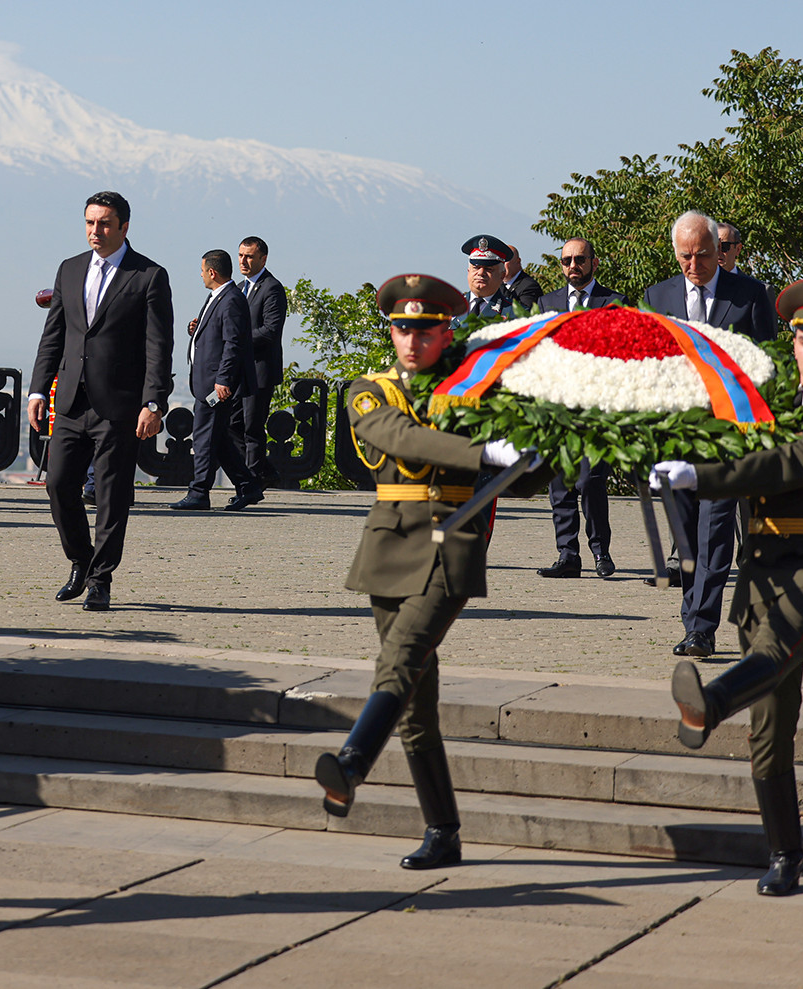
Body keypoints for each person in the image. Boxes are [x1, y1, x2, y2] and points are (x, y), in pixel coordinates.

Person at [312, 274, 550, 869]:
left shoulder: (480, 390)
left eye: (425, 329)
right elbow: (401, 439)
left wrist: (540, 444)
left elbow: (531, 479)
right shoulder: (371, 390)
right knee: (415, 704)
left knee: (398, 661)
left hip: (452, 543)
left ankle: (351, 763)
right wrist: (484, 451)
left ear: (448, 331)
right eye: (402, 329)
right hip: (389, 549)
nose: (412, 340)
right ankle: (443, 830)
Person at [660, 276, 803, 896]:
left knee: (774, 651)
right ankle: (784, 854)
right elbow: (725, 436)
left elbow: (781, 466)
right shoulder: (768, 408)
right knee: (770, 731)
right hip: (761, 577)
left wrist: (700, 477)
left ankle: (709, 704)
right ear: (794, 342)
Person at [28, 191, 175, 613]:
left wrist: (153, 402)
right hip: (71, 399)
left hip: (120, 404)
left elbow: (157, 346)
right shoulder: (69, 269)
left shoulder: (148, 275)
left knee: (111, 495)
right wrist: (38, 390)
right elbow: (53, 336)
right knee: (58, 484)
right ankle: (80, 559)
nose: (96, 231)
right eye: (90, 222)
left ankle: (100, 579)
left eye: (105, 224)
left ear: (124, 227)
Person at [642, 211, 776, 657]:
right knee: (685, 531)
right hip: (675, 436)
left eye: (702, 254)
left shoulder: (750, 295)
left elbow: (767, 364)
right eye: (685, 256)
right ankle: (692, 613)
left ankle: (700, 626)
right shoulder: (657, 296)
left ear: (719, 251)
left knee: (715, 529)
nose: (693, 264)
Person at [535, 238, 620, 579]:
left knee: (591, 481)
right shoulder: (547, 303)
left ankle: (601, 551)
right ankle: (567, 555)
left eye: (580, 259)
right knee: (559, 485)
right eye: (567, 260)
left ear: (594, 263)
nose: (573, 265)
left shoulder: (613, 302)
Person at [173, 249, 257, 511]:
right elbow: (218, 332)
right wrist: (196, 329)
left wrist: (223, 379)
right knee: (217, 439)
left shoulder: (231, 299)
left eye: (202, 270)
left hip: (215, 384)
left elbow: (233, 344)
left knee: (204, 437)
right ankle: (248, 486)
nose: (200, 275)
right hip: (205, 380)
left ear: (212, 272)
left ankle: (199, 492)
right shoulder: (217, 297)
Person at [232, 236, 285, 494]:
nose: (243, 260)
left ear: (263, 259)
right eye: (241, 255)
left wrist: (236, 339)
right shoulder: (241, 287)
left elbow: (270, 331)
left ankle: (251, 484)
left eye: (249, 256)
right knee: (232, 425)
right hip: (238, 372)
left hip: (259, 371)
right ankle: (263, 472)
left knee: (252, 428)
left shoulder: (271, 288)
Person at [457, 235, 531, 318]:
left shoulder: (516, 314)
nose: (481, 273)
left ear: (502, 275)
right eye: (476, 268)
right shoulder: (450, 308)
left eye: (488, 269)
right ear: (468, 271)